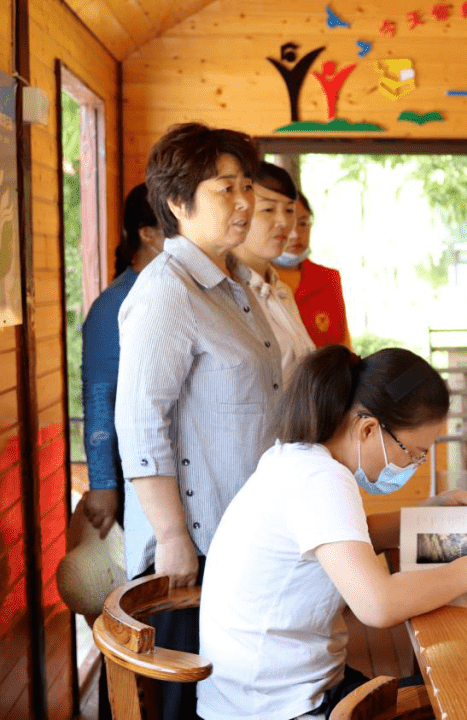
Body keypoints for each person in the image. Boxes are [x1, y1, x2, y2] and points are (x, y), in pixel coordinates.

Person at [197, 346, 467, 720]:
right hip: (278, 708)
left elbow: (350, 538)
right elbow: (380, 605)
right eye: (414, 453)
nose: (414, 466)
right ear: (369, 428)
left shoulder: (297, 460)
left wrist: (428, 514)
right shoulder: (321, 480)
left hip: (256, 694)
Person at [114, 123, 282, 720]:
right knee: (189, 697)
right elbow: (139, 425)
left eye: (246, 187)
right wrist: (171, 536)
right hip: (194, 547)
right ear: (179, 204)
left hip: (242, 533)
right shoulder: (167, 290)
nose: (243, 203)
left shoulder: (234, 285)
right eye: (224, 190)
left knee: (232, 692)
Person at [81, 183, 164, 538]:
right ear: (148, 235)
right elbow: (100, 395)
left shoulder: (177, 293)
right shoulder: (112, 305)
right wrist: (103, 484)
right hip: (134, 474)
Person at [234, 161, 316, 381]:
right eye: (268, 209)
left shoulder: (279, 289)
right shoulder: (225, 291)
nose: (283, 222)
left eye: (289, 210)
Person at [274, 192, 352, 348]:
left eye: (303, 224)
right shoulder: (254, 280)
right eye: (287, 225)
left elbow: (344, 346)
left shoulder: (328, 279)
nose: (295, 235)